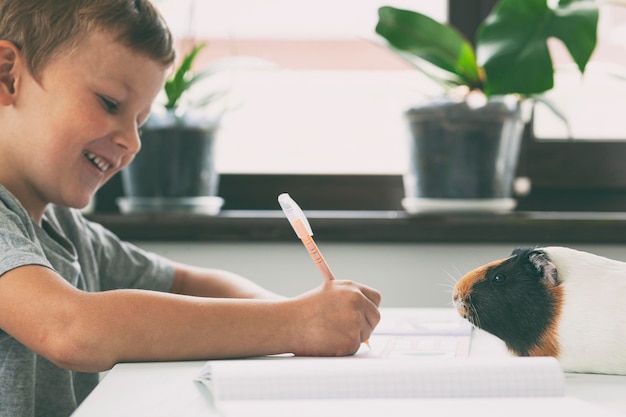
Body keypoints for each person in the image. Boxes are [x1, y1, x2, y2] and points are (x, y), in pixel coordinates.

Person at [0, 1, 382, 415]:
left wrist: (294, 312)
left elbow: (183, 283)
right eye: (110, 103)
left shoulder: (65, 229)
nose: (132, 142)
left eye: (140, 121)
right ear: (8, 74)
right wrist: (293, 323)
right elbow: (73, 330)